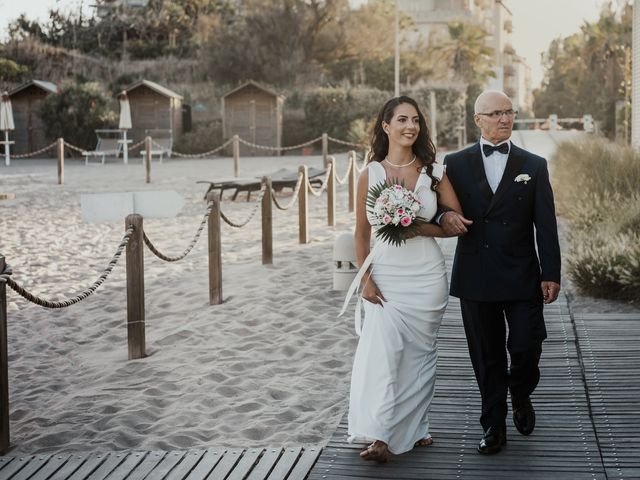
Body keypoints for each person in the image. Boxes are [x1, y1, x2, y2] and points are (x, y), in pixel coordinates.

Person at [439, 90, 561, 454]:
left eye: (509, 112)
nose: (504, 119)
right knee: (486, 355)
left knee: (526, 345)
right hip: (476, 274)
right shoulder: (454, 163)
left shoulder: (534, 164)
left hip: (522, 273)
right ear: (477, 120)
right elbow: (437, 207)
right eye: (495, 113)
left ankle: (521, 393)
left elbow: (546, 224)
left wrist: (550, 272)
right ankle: (493, 424)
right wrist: (444, 216)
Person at [345, 96, 463, 463]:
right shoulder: (371, 174)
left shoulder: (433, 172)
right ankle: (381, 435)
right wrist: (365, 280)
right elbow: (361, 235)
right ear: (386, 126)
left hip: (427, 278)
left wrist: (417, 226)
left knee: (420, 356)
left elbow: (455, 223)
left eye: (415, 120)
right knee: (383, 355)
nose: (410, 126)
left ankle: (414, 428)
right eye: (401, 120)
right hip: (386, 275)